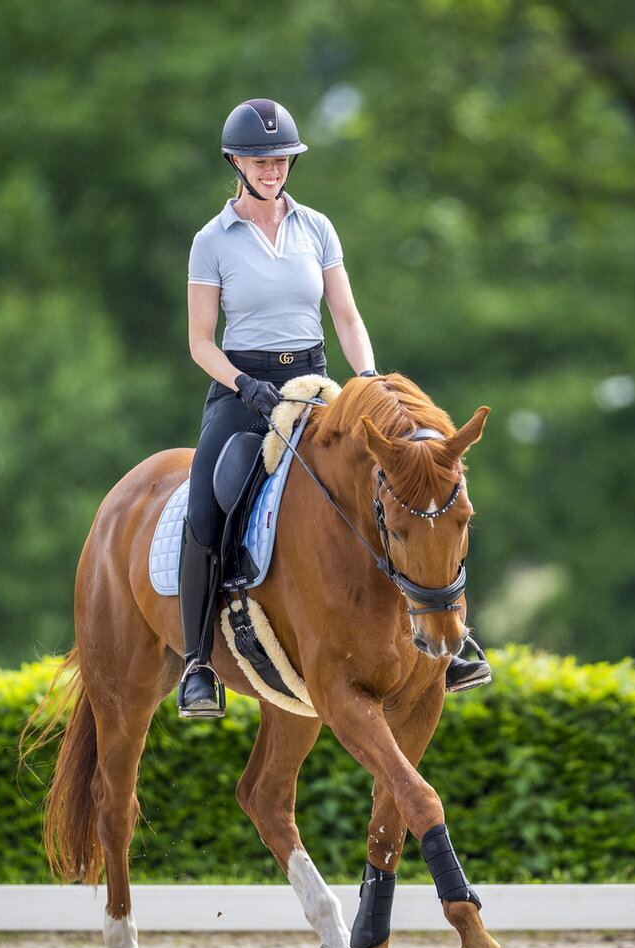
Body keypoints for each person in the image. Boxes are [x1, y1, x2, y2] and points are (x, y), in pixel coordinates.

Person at [178, 98, 490, 717]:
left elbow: (345, 315)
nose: (272, 170)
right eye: (261, 160)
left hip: (317, 383)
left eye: (282, 160)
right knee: (207, 500)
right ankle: (197, 661)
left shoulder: (316, 227)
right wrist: (245, 385)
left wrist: (369, 380)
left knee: (401, 489)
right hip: (244, 390)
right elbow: (199, 343)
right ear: (236, 162)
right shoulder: (212, 240)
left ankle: (447, 638)